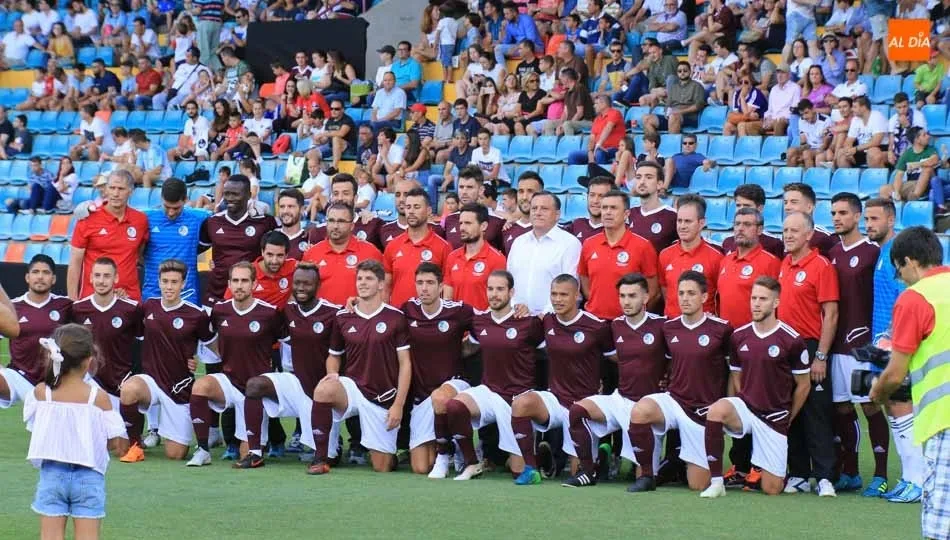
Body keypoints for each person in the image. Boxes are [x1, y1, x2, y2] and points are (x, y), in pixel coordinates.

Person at [870, 226, 950, 539]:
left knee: (939, 526)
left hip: (944, 420)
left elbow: (894, 373)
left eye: (898, 270)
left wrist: (876, 392)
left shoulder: (915, 299)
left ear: (909, 261)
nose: (900, 278)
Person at [699, 276, 812, 497]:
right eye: (753, 298)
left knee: (772, 489)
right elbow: (736, 376)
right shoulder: (739, 336)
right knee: (716, 411)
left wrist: (788, 417)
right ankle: (716, 482)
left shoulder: (792, 340)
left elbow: (804, 385)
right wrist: (742, 400)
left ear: (776, 303)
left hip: (775, 417)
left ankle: (768, 470)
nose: (756, 304)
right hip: (747, 410)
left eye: (763, 299)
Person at [627, 271, 733, 493]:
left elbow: (732, 371)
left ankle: (677, 460)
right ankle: (647, 475)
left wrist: (726, 406)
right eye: (681, 293)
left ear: (704, 297)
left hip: (703, 411)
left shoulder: (721, 329)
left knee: (698, 485)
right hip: (674, 401)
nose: (685, 298)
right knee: (640, 411)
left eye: (691, 293)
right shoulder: (669, 327)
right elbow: (664, 362)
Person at [308, 260, 412, 474]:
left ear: (381, 285)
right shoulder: (342, 316)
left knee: (382, 467)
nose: (363, 283)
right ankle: (321, 458)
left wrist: (398, 405)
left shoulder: (396, 317)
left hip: (382, 397)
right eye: (359, 278)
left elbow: (405, 364)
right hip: (353, 388)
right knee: (323, 390)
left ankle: (393, 452)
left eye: (369, 279)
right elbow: (333, 357)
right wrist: (332, 374)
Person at [510, 274, 613, 485]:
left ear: (577, 295)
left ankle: (600, 459)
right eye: (554, 294)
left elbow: (614, 358)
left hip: (584, 407)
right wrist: (524, 314)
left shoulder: (596, 326)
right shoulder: (546, 321)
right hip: (555, 400)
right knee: (521, 404)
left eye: (564, 295)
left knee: (577, 470)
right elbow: (526, 342)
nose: (557, 299)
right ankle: (531, 468)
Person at [25, 324, 125, 540]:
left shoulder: (42, 392)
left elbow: (35, 428)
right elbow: (115, 442)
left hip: (52, 473)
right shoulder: (99, 398)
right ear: (89, 361)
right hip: (89, 475)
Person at [567, 273, 667, 487]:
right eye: (622, 296)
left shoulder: (663, 326)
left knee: (647, 476)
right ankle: (588, 471)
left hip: (649, 407)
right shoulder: (614, 326)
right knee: (577, 411)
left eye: (632, 296)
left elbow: (678, 357)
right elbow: (602, 354)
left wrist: (669, 380)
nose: (626, 301)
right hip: (620, 398)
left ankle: (649, 473)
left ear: (646, 297)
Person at [444, 270, 545, 480]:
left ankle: (532, 458)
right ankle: (472, 463)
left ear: (511, 292)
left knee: (519, 469)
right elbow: (468, 347)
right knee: (455, 406)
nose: (494, 294)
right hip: (490, 392)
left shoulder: (528, 322)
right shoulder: (479, 321)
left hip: (518, 398)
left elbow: (547, 352)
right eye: (490, 289)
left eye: (500, 289)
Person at [186, 261, 286, 467]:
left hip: (256, 391)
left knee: (246, 455)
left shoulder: (269, 313)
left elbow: (286, 343)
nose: (240, 286)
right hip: (229, 382)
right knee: (201, 386)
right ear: (229, 284)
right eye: (235, 281)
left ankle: (260, 444)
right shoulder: (220, 310)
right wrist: (194, 358)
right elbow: (207, 338)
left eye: (244, 281)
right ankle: (203, 449)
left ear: (254, 284)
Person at [118, 259, 213, 460]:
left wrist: (195, 359)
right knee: (128, 389)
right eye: (165, 281)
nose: (169, 287)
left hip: (178, 387)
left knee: (175, 454)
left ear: (183, 284)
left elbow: (211, 347)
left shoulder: (197, 315)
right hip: (151, 380)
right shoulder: (148, 307)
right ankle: (136, 446)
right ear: (159, 282)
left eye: (174, 282)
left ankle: (166, 431)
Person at [779, 211, 839, 497]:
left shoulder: (821, 266)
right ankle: (799, 473)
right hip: (785, 348)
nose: (788, 235)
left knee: (817, 412)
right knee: (793, 411)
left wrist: (821, 356)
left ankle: (825, 476)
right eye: (785, 230)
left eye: (794, 230)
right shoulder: (783, 265)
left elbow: (831, 314)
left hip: (811, 346)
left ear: (809, 235)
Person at [401, 262, 476, 476]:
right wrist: (355, 303)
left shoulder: (459, 310)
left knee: (440, 397)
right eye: (420, 283)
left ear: (441, 286)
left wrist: (466, 349)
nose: (424, 288)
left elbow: (486, 328)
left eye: (430, 283)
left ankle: (446, 455)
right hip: (421, 395)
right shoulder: (408, 310)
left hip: (454, 383)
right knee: (420, 467)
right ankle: (449, 445)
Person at [71, 258, 143, 460]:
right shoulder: (77, 310)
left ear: (116, 278)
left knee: (121, 448)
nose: (102, 281)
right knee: (98, 447)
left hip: (122, 385)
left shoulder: (131, 309)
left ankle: (140, 433)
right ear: (91, 278)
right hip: (92, 385)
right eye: (98, 276)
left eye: (107, 276)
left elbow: (144, 344)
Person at [1, 255, 73, 411]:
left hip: (56, 378)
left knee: (50, 427)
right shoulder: (13, 307)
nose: (40, 276)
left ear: (53, 279)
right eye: (35, 272)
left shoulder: (66, 305)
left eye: (46, 273)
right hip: (19, 376)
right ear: (27, 277)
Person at [68, 171, 149, 302]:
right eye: (112, 188)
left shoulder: (141, 220)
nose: (116, 194)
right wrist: (72, 300)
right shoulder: (87, 218)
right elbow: (75, 263)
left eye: (121, 189)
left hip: (129, 297)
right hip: (92, 298)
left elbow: (140, 254)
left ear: (131, 191)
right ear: (106, 189)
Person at [198, 174, 278, 306]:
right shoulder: (212, 222)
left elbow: (284, 241)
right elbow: (197, 250)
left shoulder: (264, 222)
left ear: (248, 194)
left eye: (235, 194)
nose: (229, 198)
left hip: (250, 296)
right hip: (216, 293)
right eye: (226, 194)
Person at [579, 189, 658, 320]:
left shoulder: (643, 246)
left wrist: (634, 314)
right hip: (594, 320)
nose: (608, 212)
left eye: (614, 208)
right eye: (604, 208)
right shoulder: (589, 244)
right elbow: (584, 279)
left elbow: (653, 291)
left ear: (626, 214)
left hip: (627, 322)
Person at [507, 191, 581, 315]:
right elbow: (508, 281)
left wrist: (545, 314)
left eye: (544, 209)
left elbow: (571, 287)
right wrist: (514, 307)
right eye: (534, 208)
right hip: (516, 317)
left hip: (551, 320)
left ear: (557, 214)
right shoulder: (518, 242)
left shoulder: (570, 244)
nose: (538, 212)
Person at [302, 202, 384, 306]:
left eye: (341, 221)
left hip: (357, 318)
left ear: (352, 226)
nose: (335, 226)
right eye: (331, 221)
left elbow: (382, 289)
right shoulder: (311, 254)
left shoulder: (370, 252)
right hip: (321, 319)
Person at [657, 195, 723, 318]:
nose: (682, 226)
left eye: (688, 221)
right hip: (671, 327)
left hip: (703, 330)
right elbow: (665, 291)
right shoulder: (665, 255)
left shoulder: (716, 258)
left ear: (701, 223)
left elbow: (721, 297)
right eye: (679, 220)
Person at [383, 189, 451, 307]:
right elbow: (385, 287)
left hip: (429, 319)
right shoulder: (392, 246)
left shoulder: (443, 247)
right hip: (399, 317)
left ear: (429, 211)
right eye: (408, 207)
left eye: (417, 207)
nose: (411, 211)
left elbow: (447, 288)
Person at [717, 208, 782, 328]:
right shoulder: (725, 261)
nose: (740, 228)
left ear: (759, 230)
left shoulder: (771, 263)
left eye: (747, 224)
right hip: (725, 336)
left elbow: (779, 305)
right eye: (737, 224)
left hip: (755, 337)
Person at [443, 203, 508, 310]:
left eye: (468, 223)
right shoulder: (452, 257)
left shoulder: (497, 259)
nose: (462, 227)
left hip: (482, 323)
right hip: (456, 323)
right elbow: (447, 298)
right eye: (461, 223)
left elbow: (498, 300)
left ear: (483, 226)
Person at [306, 174, 385, 250]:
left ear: (355, 198)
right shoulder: (318, 232)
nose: (340, 198)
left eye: (345, 193)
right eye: (336, 193)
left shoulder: (373, 225)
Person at [442, 167, 506, 250]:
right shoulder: (450, 219)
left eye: (469, 187)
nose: (464, 191)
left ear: (481, 190)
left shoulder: (498, 221)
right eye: (461, 187)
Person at [641, 61, 705, 136]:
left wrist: (680, 111)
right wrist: (666, 112)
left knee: (674, 117)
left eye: (685, 70)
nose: (682, 73)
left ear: (690, 72)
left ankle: (671, 144)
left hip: (689, 117)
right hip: (672, 116)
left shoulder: (697, 86)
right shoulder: (673, 87)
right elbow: (668, 104)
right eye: (680, 71)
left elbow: (698, 105)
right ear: (677, 73)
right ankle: (655, 143)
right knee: (646, 118)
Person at [628, 162, 678, 253]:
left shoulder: (673, 216)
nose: (642, 182)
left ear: (659, 184)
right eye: (638, 177)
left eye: (648, 177)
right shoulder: (629, 214)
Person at [882, 127, 938, 203]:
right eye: (924, 135)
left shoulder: (930, 149)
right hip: (911, 184)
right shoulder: (907, 154)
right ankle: (894, 208)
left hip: (927, 184)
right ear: (917, 140)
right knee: (884, 189)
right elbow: (899, 175)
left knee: (927, 169)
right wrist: (897, 192)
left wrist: (918, 164)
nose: (928, 136)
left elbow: (934, 160)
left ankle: (913, 198)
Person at [783, 182, 839, 257]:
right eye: (785, 202)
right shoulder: (786, 234)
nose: (787, 207)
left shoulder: (826, 238)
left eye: (794, 202)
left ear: (809, 208)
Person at [568, 95, 624, 165]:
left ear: (604, 104)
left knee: (599, 153)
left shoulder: (615, 113)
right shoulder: (597, 119)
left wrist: (599, 144)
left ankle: (602, 175)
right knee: (573, 155)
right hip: (597, 150)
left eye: (596, 103)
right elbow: (592, 139)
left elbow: (608, 128)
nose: (594, 106)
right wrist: (590, 152)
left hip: (614, 149)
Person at [835, 96, 888, 169]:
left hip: (879, 148)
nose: (852, 109)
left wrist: (855, 149)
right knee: (842, 153)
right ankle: (849, 179)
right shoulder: (855, 119)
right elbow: (849, 140)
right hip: (862, 150)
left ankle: (879, 179)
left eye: (854, 107)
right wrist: (848, 150)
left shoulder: (877, 116)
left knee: (872, 152)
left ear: (863, 107)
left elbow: (876, 142)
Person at [563, 175, 610, 242]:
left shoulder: (616, 231)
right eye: (592, 195)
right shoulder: (577, 225)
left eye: (601, 196)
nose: (595, 201)